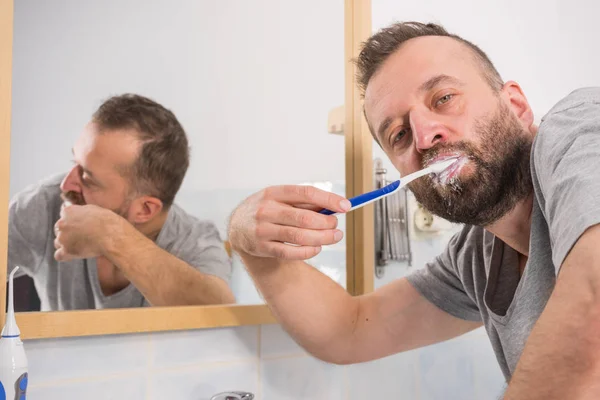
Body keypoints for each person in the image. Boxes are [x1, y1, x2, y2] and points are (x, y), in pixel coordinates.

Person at [228, 21, 600, 398]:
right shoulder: (476, 259)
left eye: (443, 98)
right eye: (399, 135)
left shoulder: (581, 126)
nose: (424, 137)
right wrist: (249, 241)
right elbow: (349, 331)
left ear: (515, 105)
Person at [8, 94, 235, 311]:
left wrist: (110, 236)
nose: (66, 184)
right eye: (74, 161)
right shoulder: (45, 203)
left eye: (88, 178)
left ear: (145, 209)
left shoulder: (193, 240)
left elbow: (218, 313)